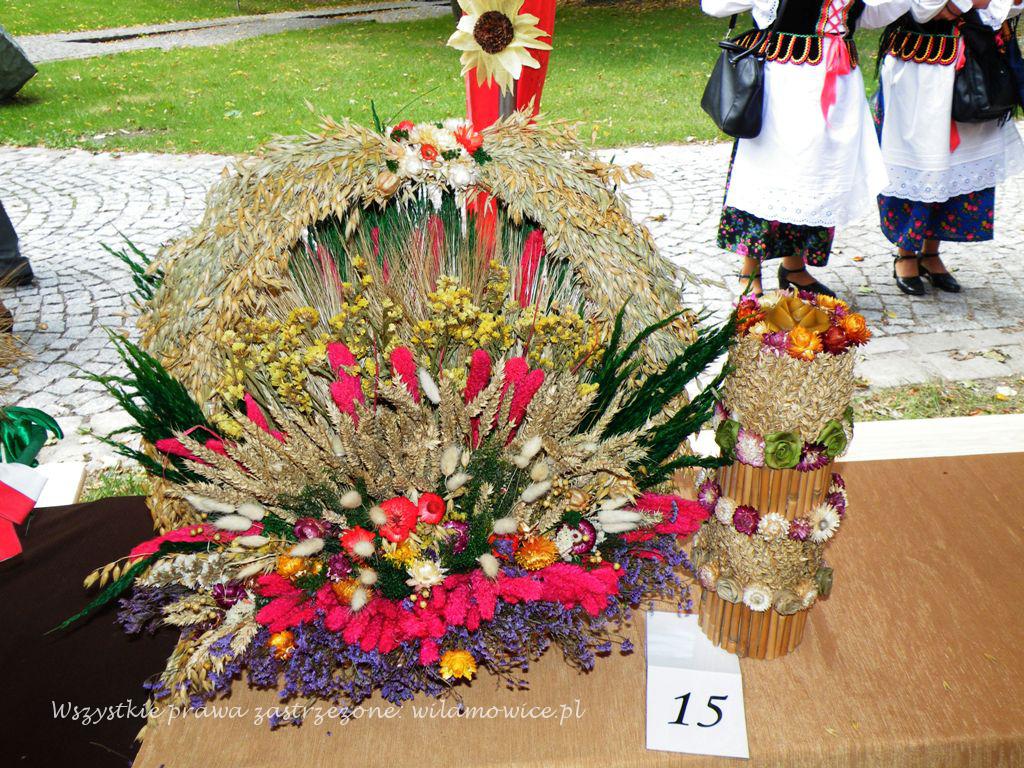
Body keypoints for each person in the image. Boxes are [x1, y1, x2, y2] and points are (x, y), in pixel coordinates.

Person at [702, 0, 911, 298]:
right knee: (771, 175)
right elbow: (715, 6)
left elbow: (871, 14)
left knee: (817, 180)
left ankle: (794, 268)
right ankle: (749, 273)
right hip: (785, 85)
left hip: (838, 84)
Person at [876, 0, 1024, 295]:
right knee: (922, 161)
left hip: (972, 66)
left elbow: (1002, 10)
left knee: (955, 165)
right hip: (919, 67)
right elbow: (923, 8)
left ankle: (931, 252)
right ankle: (906, 253)